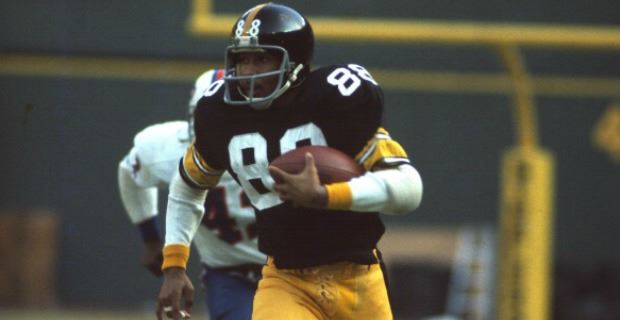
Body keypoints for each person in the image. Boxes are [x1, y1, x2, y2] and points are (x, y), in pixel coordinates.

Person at [156, 3, 423, 320]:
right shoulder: (221, 113)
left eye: (262, 58)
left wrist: (326, 196)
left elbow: (409, 190)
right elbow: (187, 186)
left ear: (294, 61)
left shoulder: (335, 99)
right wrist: (174, 265)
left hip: (358, 277)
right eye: (242, 60)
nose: (249, 71)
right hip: (285, 278)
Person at [118, 68, 266, 320]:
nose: (224, 128)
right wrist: (151, 237)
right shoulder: (169, 151)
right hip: (228, 272)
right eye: (216, 117)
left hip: (290, 266)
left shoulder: (283, 147)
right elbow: (128, 171)